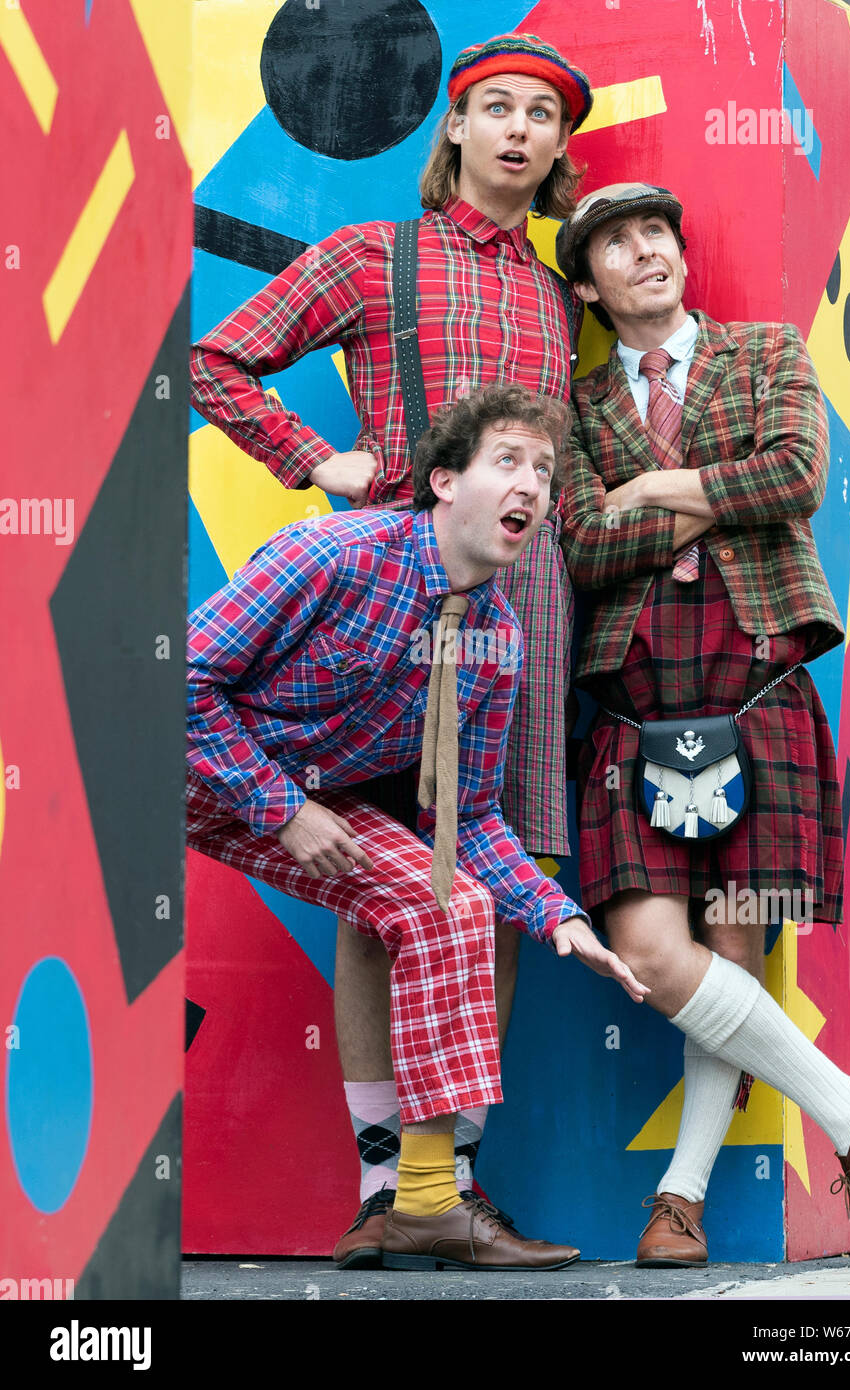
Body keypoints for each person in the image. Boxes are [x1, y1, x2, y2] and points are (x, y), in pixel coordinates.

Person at [189, 33, 592, 1262]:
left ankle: (448, 1182)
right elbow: (217, 359)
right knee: (389, 884)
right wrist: (317, 460)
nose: (520, 131)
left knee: (496, 876)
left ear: (561, 150)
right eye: (497, 109)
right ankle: (386, 1190)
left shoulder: (558, 295)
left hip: (526, 611)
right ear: (455, 130)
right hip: (393, 598)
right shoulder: (378, 255)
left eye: (543, 117)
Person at [186, 383, 649, 1270]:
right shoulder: (333, 552)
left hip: (303, 795)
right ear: (443, 482)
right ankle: (409, 1194)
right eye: (507, 462)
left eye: (544, 473)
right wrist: (284, 812)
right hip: (177, 766)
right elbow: (182, 684)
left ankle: (428, 1199)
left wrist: (558, 917)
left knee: (451, 901)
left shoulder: (496, 638)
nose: (530, 486)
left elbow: (463, 817)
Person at [555, 182, 850, 1268]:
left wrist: (657, 488)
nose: (645, 252)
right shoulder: (575, 408)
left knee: (732, 947)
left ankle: (680, 1199)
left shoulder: (765, 350)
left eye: (657, 232)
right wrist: (723, 492)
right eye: (616, 245)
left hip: (760, 679)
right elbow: (580, 543)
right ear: (587, 284)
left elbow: (798, 475)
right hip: (632, 699)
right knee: (654, 953)